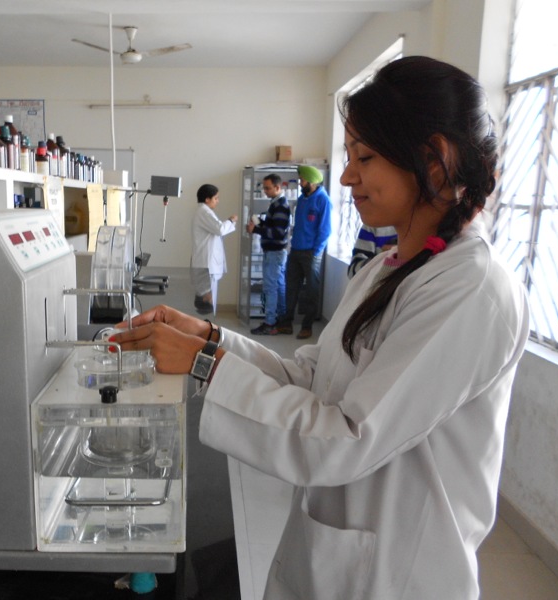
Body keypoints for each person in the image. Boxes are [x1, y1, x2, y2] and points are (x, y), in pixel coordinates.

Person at [110, 56, 530, 599]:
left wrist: (203, 364)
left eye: (364, 157)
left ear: (434, 160)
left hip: (398, 574)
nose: (348, 175)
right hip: (337, 553)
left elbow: (348, 439)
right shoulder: (390, 269)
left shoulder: (471, 289)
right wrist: (207, 338)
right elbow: (310, 378)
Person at [279, 164, 332, 339]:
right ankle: (286, 323)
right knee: (291, 288)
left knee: (311, 291)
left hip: (311, 253)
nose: (300, 183)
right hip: (295, 250)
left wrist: (316, 252)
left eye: (302, 180)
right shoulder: (302, 199)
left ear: (312, 181)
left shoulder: (323, 200)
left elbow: (325, 230)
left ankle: (307, 326)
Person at [247, 174, 291, 335]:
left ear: (278, 187)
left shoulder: (280, 206)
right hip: (276, 252)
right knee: (279, 286)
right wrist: (261, 223)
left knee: (270, 288)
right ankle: (281, 320)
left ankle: (270, 323)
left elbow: (278, 233)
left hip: (275, 252)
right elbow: (274, 226)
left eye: (267, 188)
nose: (264, 191)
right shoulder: (276, 204)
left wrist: (257, 229)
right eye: (264, 188)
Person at [191, 183, 237, 315]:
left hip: (206, 262)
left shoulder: (204, 212)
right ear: (207, 199)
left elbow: (217, 229)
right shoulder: (204, 212)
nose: (218, 201)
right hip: (206, 264)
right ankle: (206, 317)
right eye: (216, 198)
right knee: (207, 293)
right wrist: (231, 221)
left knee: (207, 292)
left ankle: (206, 316)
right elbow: (220, 229)